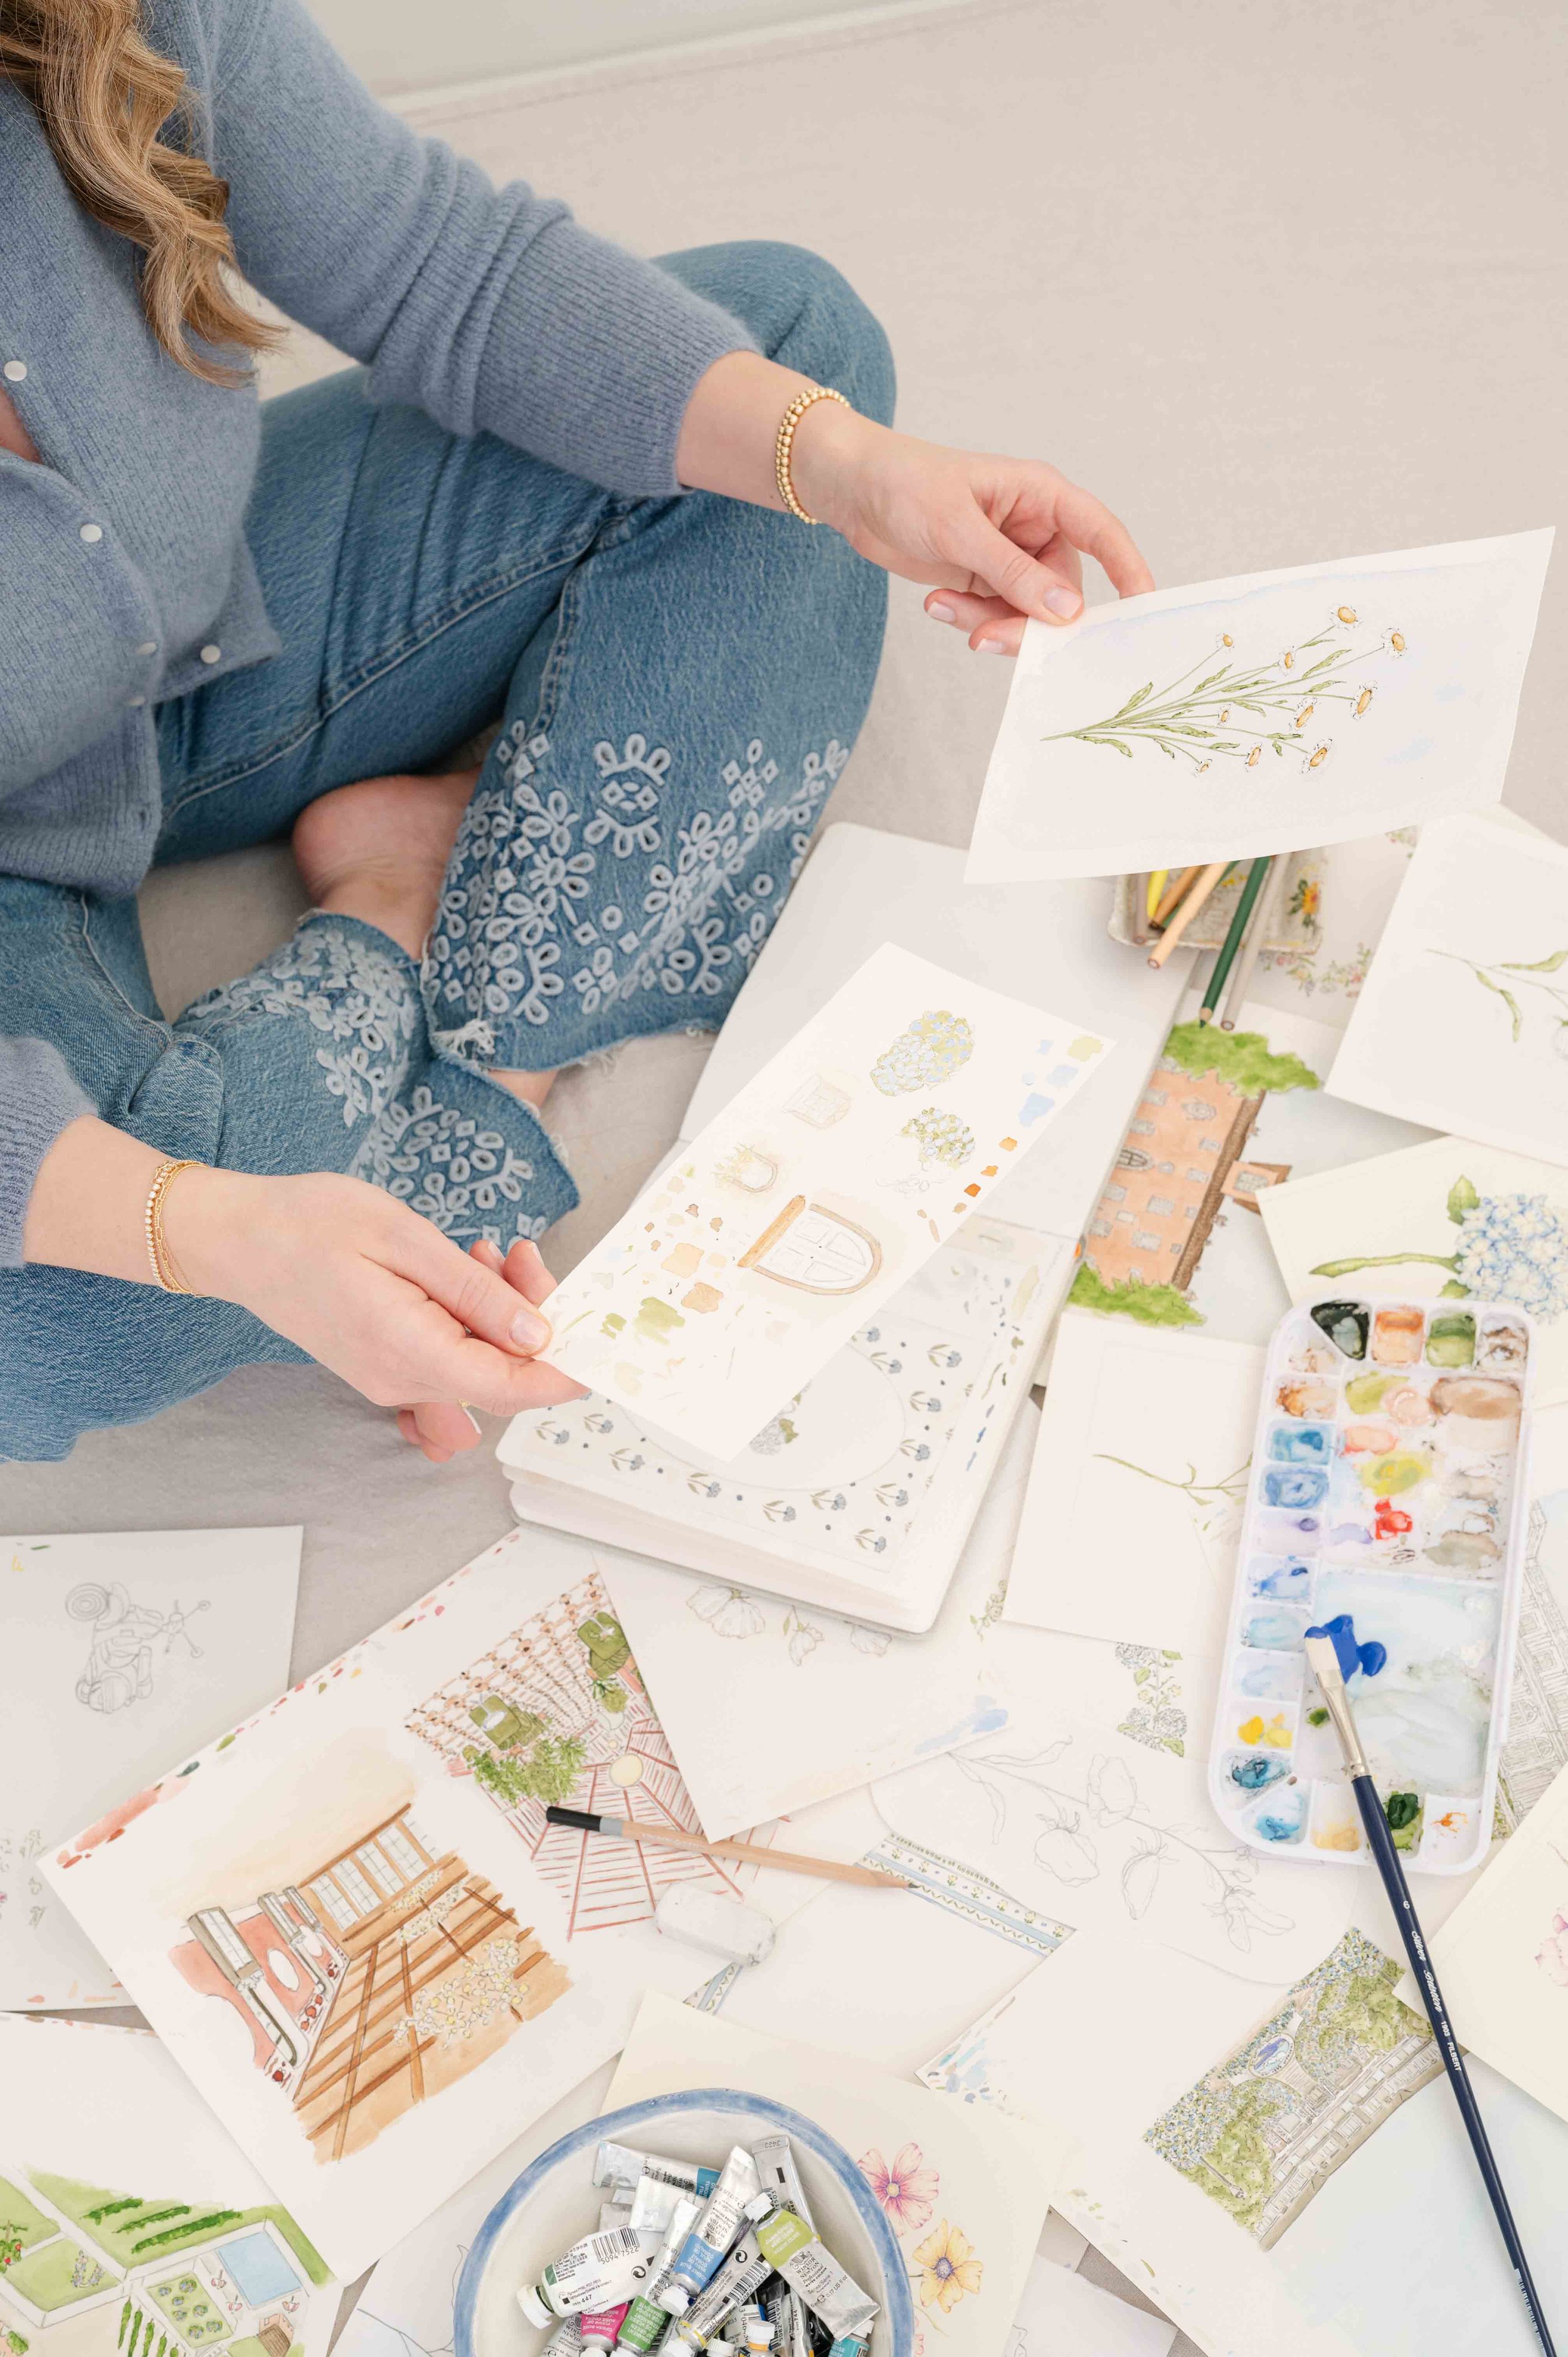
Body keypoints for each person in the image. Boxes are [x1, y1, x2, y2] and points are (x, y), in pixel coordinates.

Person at [0, 0, 1151, 1466]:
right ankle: (418, 939)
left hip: (205, 630)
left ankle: (488, 1057)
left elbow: (442, 265)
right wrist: (209, 1224)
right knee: (56, 1331)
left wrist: (851, 473)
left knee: (792, 351)